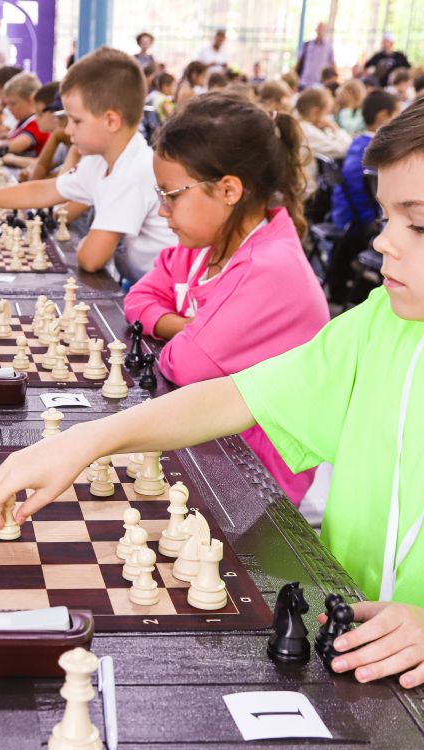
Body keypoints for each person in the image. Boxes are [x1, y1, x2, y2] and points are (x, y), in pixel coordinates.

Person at [0, 67, 424, 750]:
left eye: (419, 223)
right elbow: (238, 395)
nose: (384, 243)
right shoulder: (381, 328)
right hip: (329, 692)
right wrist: (84, 442)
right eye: (387, 217)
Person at [123, 95, 329, 504]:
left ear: (229, 189)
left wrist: (184, 336)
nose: (162, 210)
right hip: (212, 437)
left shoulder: (269, 268)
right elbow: (138, 298)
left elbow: (185, 364)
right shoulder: (200, 247)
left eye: (172, 194)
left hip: (257, 477)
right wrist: (188, 328)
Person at [0, 47, 176, 285]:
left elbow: (91, 259)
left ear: (111, 121)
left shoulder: (132, 171)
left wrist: (86, 243)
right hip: (141, 282)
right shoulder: (101, 160)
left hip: (169, 296)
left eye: (76, 121)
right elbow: (43, 191)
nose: (67, 130)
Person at [332, 89, 398, 231]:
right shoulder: (377, 152)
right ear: (383, 116)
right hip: (361, 221)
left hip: (343, 214)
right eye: (397, 116)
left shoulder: (357, 143)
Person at [297, 87, 352, 186]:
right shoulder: (308, 132)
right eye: (326, 113)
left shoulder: (303, 126)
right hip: (308, 190)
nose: (328, 118)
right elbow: (345, 149)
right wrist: (335, 128)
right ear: (315, 112)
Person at [0, 71, 47, 157]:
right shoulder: (23, 121)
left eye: (13, 104)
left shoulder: (36, 123)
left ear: (31, 101)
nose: (9, 108)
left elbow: (11, 147)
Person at [296, 22, 335, 88]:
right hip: (305, 81)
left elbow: (332, 64)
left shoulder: (329, 47)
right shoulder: (307, 45)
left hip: (320, 82)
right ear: (316, 30)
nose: (320, 31)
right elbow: (299, 61)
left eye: (322, 29)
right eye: (319, 29)